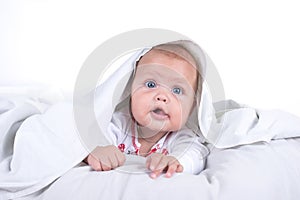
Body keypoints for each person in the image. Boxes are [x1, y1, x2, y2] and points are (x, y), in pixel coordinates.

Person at [84, 41, 208, 179]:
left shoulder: (183, 138)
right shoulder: (118, 124)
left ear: (192, 107)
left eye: (177, 90)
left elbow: (196, 155)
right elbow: (86, 139)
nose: (162, 97)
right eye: (151, 84)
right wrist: (95, 151)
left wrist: (175, 161)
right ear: (130, 90)